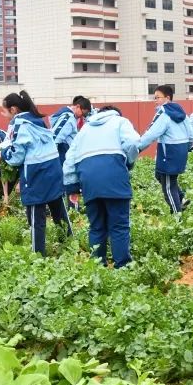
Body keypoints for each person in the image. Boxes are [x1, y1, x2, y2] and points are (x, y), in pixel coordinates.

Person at [63, 106, 140, 268]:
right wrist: (129, 162)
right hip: (115, 177)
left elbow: (69, 159)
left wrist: (72, 187)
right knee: (119, 226)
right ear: (116, 113)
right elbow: (133, 143)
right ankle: (123, 266)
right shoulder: (120, 122)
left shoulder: (84, 129)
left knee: (96, 226)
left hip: (89, 181)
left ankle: (98, 267)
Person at [0, 91, 71, 254]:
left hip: (36, 174)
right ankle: (69, 244)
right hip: (53, 169)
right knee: (58, 209)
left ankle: (38, 255)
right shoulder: (36, 119)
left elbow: (16, 157)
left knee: (36, 217)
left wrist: (2, 154)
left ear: (13, 109)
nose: (4, 115)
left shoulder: (20, 124)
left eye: (4, 111)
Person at [138, 85, 193, 214]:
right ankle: (181, 198)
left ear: (167, 98)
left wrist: (138, 146)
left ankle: (177, 216)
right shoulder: (181, 112)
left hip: (169, 153)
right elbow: (192, 134)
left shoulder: (163, 113)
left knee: (168, 187)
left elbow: (152, 134)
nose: (155, 100)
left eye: (157, 97)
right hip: (180, 151)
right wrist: (187, 146)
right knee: (160, 175)